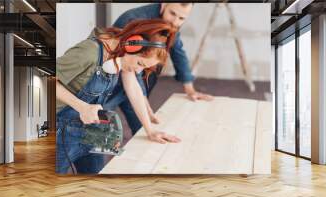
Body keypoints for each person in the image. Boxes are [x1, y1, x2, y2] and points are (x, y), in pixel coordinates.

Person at [56, 19, 181, 174]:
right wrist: (83, 107)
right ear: (132, 45)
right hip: (61, 131)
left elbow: (133, 89)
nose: (137, 71)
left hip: (91, 131)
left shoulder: (121, 55)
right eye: (140, 64)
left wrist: (150, 130)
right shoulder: (90, 52)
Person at [110, 3, 214, 135]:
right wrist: (142, 95)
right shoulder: (134, 20)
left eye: (182, 18)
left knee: (143, 126)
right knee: (97, 123)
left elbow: (178, 50)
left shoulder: (172, 24)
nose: (175, 22)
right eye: (173, 14)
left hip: (136, 75)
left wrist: (190, 89)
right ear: (164, 4)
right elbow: (132, 63)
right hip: (113, 77)